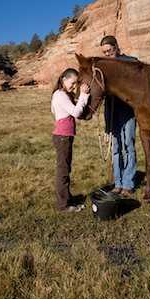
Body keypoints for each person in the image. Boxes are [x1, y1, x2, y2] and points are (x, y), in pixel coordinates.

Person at [100, 35, 138, 198]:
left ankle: (128, 183)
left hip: (127, 110)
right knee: (116, 147)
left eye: (110, 50)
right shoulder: (104, 67)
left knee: (129, 144)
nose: (108, 54)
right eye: (105, 52)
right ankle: (118, 183)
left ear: (117, 46)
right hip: (111, 110)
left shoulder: (130, 61)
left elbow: (143, 75)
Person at [51, 68, 90, 212]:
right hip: (63, 137)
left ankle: (67, 198)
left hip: (62, 136)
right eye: (72, 83)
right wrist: (83, 96)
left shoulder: (58, 94)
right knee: (63, 171)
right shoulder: (61, 96)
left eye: (76, 84)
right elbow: (76, 113)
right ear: (63, 79)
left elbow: (54, 111)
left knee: (65, 168)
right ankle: (63, 205)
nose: (74, 86)